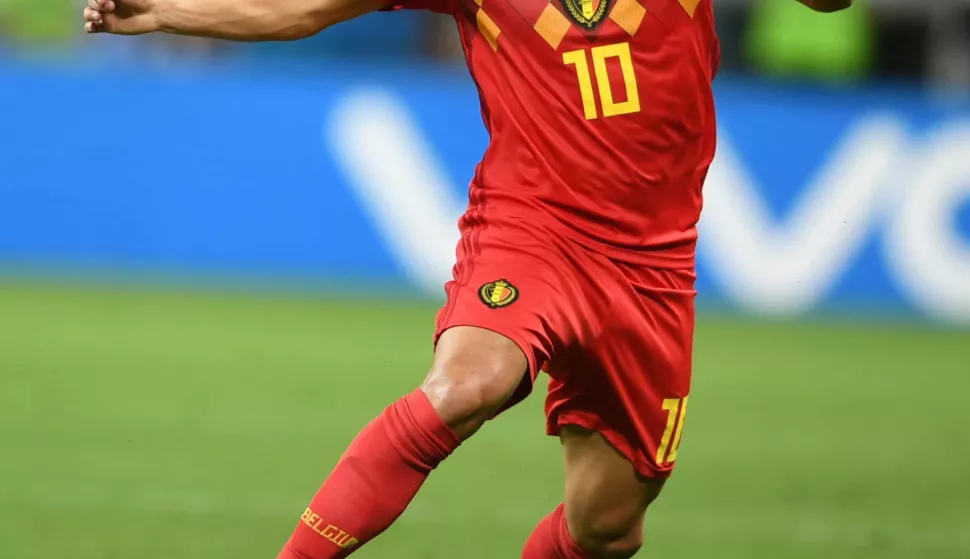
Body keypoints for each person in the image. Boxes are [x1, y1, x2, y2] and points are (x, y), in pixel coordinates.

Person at [82, 0, 852, 557]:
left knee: (608, 528)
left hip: (652, 270)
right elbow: (304, 9)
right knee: (464, 385)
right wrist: (168, 11)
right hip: (534, 230)